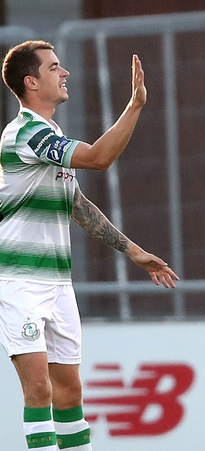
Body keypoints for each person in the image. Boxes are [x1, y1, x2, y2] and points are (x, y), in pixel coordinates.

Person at [0, 40, 179, 451]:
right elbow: (99, 158)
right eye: (54, 67)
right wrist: (134, 105)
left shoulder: (51, 134)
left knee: (69, 392)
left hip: (58, 283)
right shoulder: (26, 133)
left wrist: (134, 251)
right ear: (31, 82)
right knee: (39, 389)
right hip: (20, 281)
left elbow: (76, 204)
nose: (64, 73)